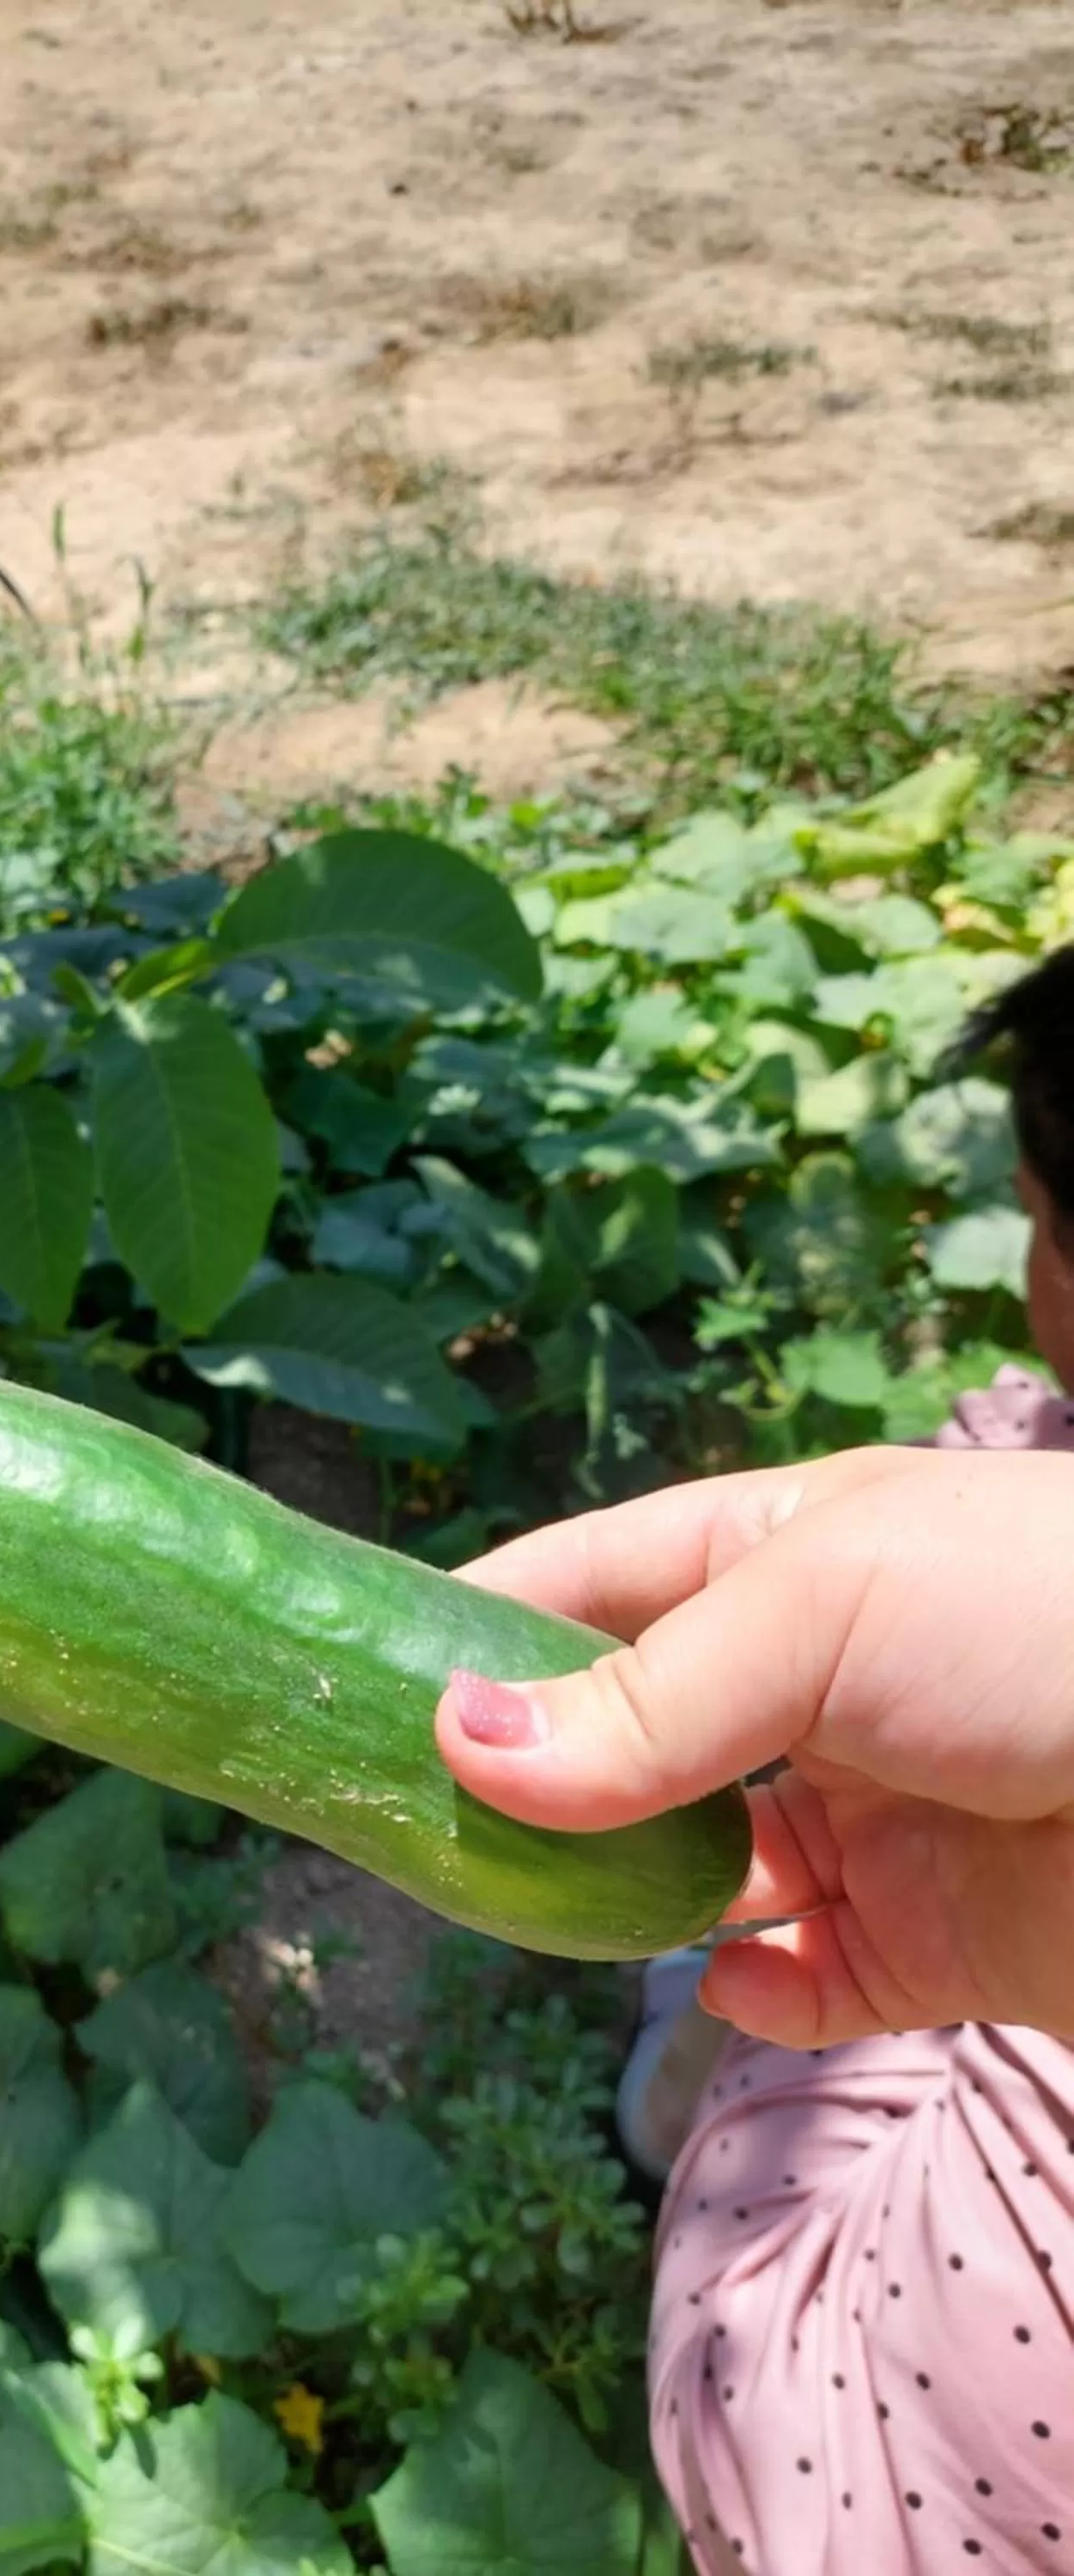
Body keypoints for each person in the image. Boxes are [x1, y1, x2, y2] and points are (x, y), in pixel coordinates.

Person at [428, 949, 1074, 2576]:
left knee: (755, 1943)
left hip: (812, 2421)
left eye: (1040, 1220)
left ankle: (671, 2077)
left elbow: (790, 2485)